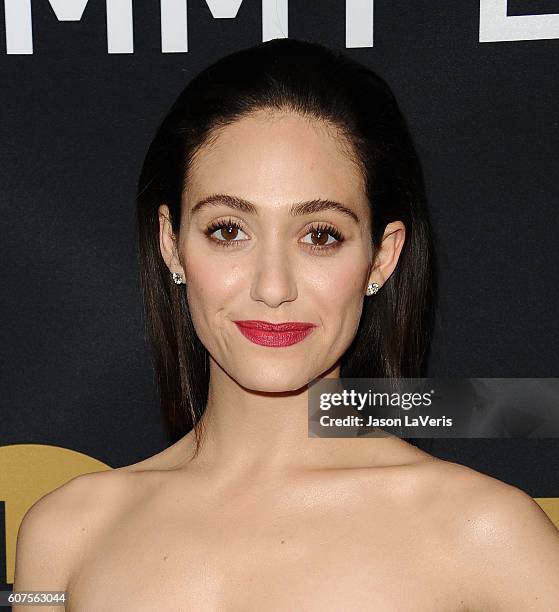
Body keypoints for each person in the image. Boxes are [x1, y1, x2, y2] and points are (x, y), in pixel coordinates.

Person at [13, 38, 559, 611]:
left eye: (320, 235)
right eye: (228, 230)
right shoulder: (66, 535)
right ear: (171, 245)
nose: (273, 287)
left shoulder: (485, 534)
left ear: (382, 257)